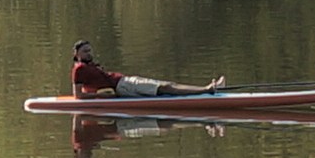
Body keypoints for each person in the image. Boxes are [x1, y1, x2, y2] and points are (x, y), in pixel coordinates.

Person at [70, 41, 218, 101]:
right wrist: (100, 96)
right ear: (76, 54)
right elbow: (78, 95)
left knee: (167, 86)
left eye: (90, 50)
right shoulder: (79, 69)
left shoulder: (88, 65)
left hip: (124, 83)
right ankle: (207, 90)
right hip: (123, 86)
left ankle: (206, 90)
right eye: (85, 51)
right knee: (165, 88)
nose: (89, 53)